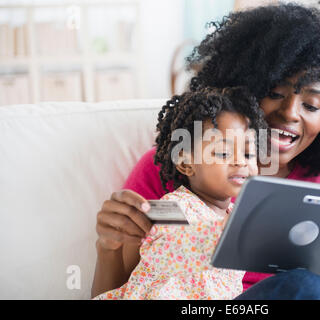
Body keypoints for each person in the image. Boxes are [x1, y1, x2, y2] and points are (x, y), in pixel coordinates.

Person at [92, 1, 320, 300]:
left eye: (311, 104)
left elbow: (318, 296)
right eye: (274, 93)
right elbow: (122, 291)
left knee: (307, 285)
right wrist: (108, 248)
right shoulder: (171, 167)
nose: (292, 113)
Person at [93, 87, 269, 299]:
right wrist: (227, 234)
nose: (241, 161)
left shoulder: (235, 215)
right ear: (186, 163)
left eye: (249, 153)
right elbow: (166, 247)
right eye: (223, 152)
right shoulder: (173, 207)